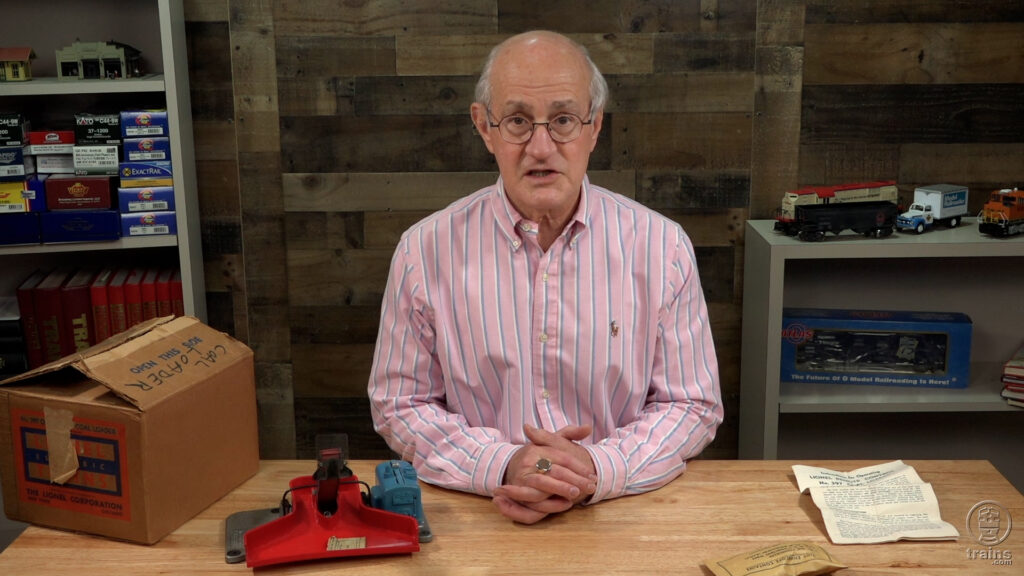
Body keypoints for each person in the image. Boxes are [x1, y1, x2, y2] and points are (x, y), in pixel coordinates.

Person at [368, 30, 723, 524]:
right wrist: (505, 464)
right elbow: (400, 405)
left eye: (562, 120)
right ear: (484, 127)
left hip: (627, 517)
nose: (540, 147)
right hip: (477, 517)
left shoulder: (662, 248)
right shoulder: (423, 252)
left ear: (594, 127)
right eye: (517, 121)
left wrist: (598, 468)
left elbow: (691, 404)